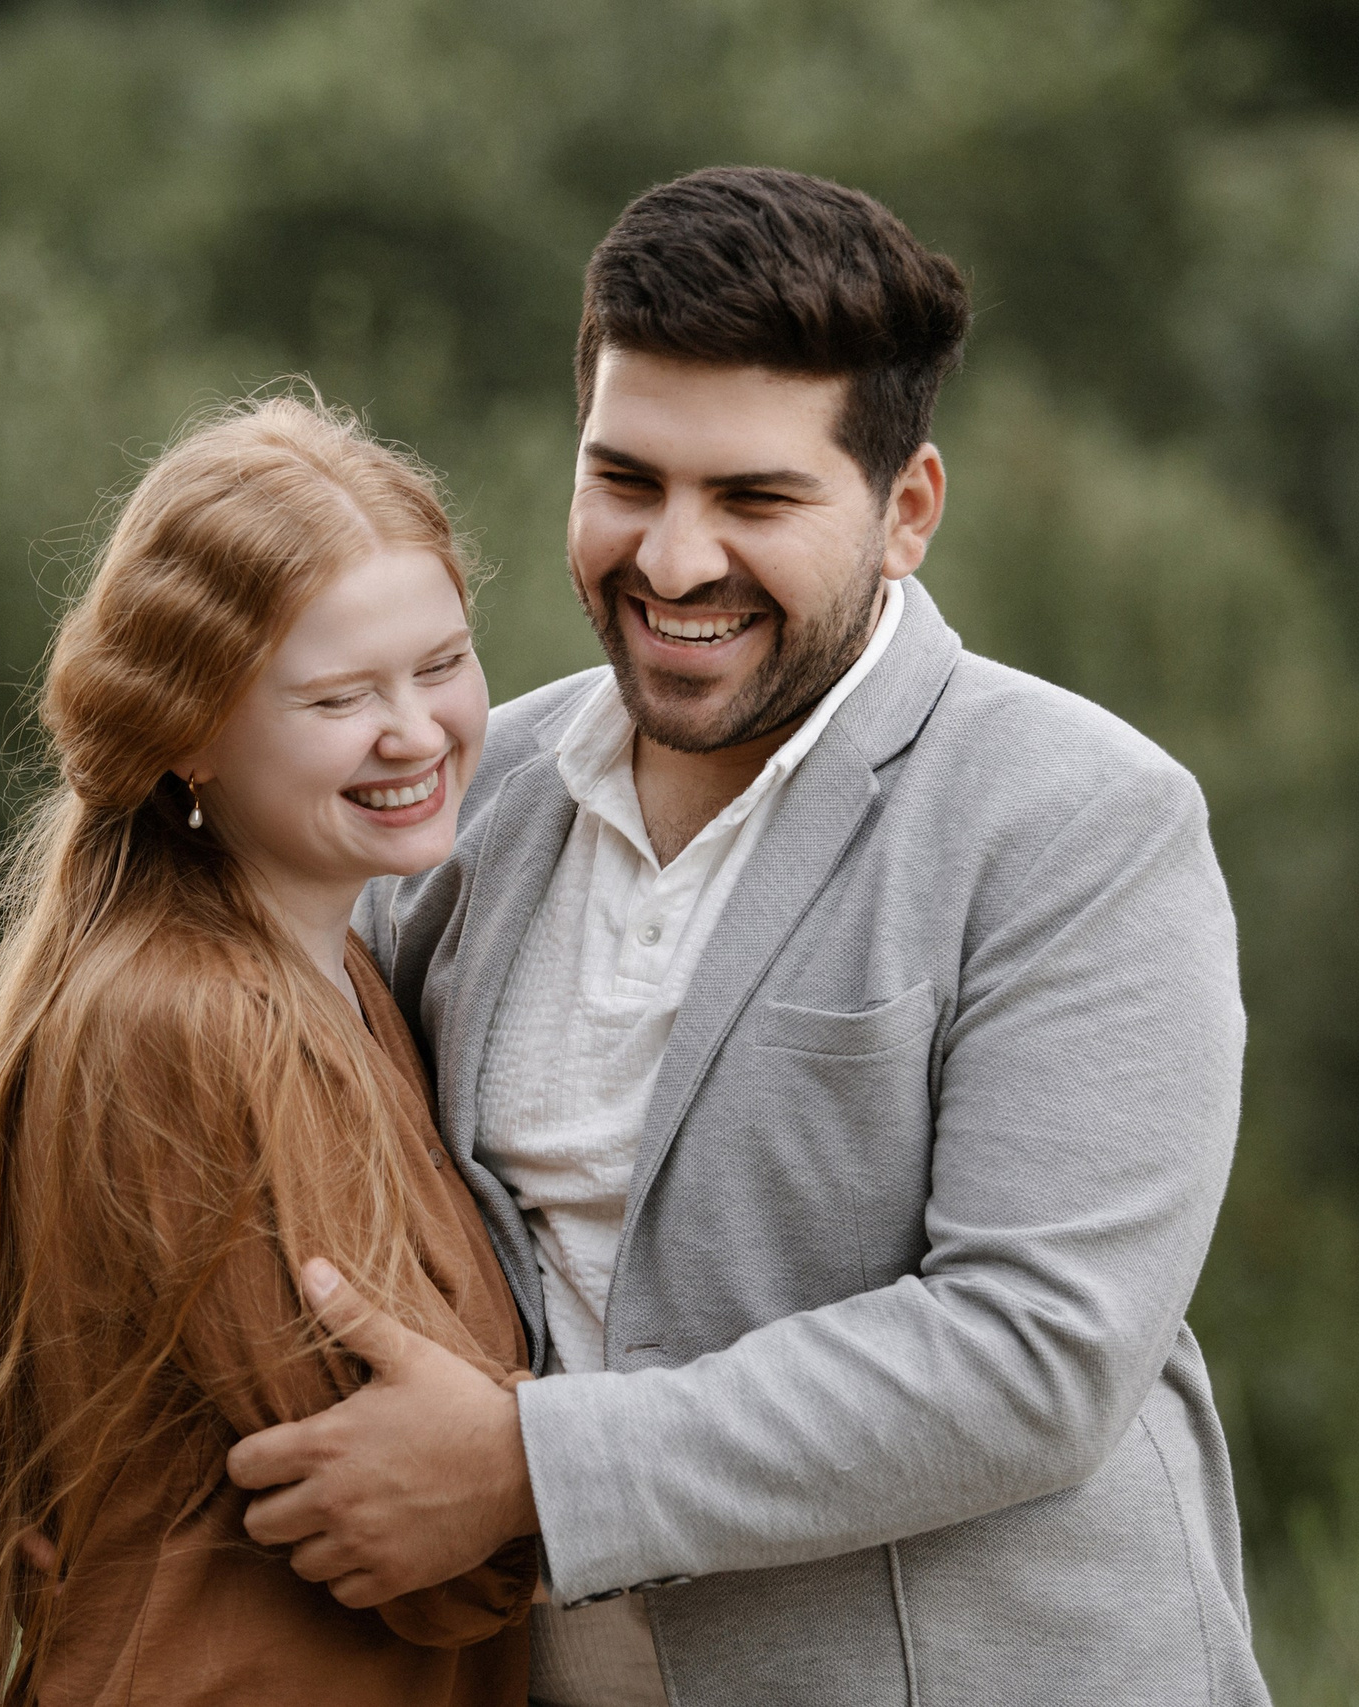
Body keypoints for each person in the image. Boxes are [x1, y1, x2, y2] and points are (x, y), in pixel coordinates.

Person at [224, 168, 1271, 1706]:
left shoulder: (1083, 820)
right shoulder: (470, 799)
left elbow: (1034, 1355)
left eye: (755, 500)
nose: (671, 561)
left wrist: (530, 1469)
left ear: (905, 511)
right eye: (627, 480)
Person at [0, 394, 537, 1706]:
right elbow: (412, 1536)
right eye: (339, 696)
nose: (417, 733)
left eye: (440, 665)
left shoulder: (339, 969)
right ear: (188, 731)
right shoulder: (188, 1016)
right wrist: (645, 1490)